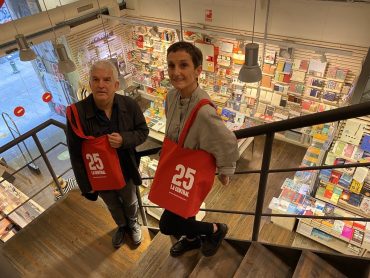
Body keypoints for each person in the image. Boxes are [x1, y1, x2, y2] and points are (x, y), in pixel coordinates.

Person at [158, 42, 239, 257]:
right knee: (186, 210)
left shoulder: (203, 110)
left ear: (198, 71)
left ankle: (214, 229)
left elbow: (228, 142)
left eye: (183, 65)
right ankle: (193, 239)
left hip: (190, 173)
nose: (176, 72)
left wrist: (225, 170)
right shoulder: (171, 97)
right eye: (171, 66)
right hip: (178, 168)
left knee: (167, 224)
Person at [66, 60, 149, 248]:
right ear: (90, 83)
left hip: (125, 168)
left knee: (130, 201)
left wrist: (124, 139)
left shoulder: (129, 105)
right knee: (112, 204)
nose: (101, 85)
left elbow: (143, 131)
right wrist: (86, 186)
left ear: (116, 85)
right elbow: (75, 152)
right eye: (95, 79)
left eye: (107, 80)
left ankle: (133, 224)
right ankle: (121, 226)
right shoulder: (78, 112)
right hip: (99, 173)